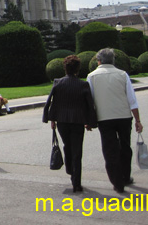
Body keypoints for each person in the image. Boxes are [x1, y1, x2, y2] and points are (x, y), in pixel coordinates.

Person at [87, 48, 143, 193]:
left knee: (110, 150)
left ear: (98, 61)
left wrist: (89, 120)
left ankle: (117, 182)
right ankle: (125, 175)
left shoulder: (92, 76)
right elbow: (132, 100)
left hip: (104, 118)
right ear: (113, 60)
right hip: (124, 116)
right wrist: (137, 120)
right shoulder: (122, 74)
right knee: (125, 147)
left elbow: (90, 101)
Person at [42, 55, 97, 192]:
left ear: (65, 68)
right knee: (77, 151)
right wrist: (90, 122)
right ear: (78, 69)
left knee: (67, 145)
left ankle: (69, 168)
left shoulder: (58, 82)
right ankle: (76, 182)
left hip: (62, 121)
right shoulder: (83, 84)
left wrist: (50, 118)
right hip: (78, 121)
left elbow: (51, 102)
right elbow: (90, 105)